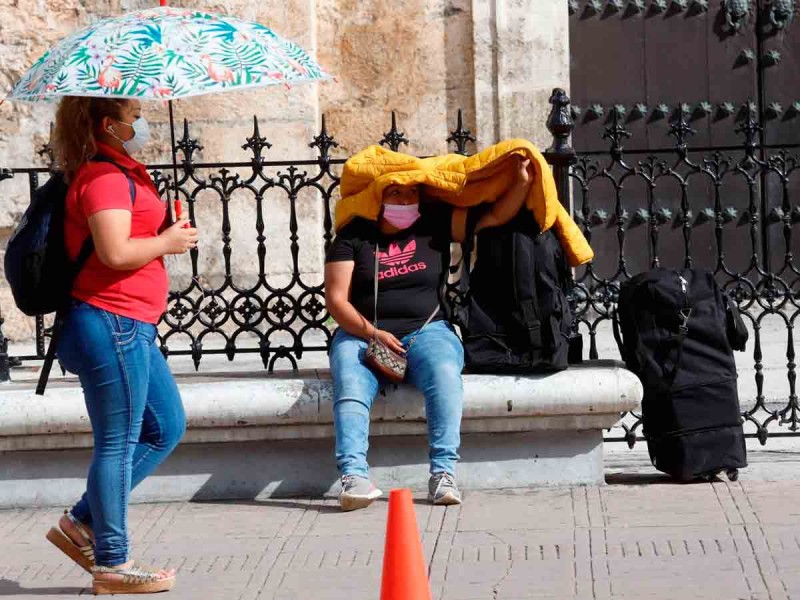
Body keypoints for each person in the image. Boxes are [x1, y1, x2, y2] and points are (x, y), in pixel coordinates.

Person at [45, 96, 197, 595]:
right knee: (118, 440)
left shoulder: (121, 172)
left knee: (166, 425)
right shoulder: (106, 177)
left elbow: (126, 237)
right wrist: (167, 243)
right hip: (112, 320)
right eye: (134, 118)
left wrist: (162, 229)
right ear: (109, 125)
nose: (143, 124)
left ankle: (82, 522)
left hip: (129, 321)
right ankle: (112, 561)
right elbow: (114, 253)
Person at [324, 155, 534, 511]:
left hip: (427, 330)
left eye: (411, 193)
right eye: (394, 192)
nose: (404, 200)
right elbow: (336, 299)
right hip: (362, 334)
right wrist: (372, 333)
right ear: (378, 195)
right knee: (350, 380)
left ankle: (443, 473)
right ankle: (354, 476)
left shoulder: (434, 223)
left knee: (445, 374)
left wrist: (522, 183)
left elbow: (494, 217)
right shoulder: (354, 235)